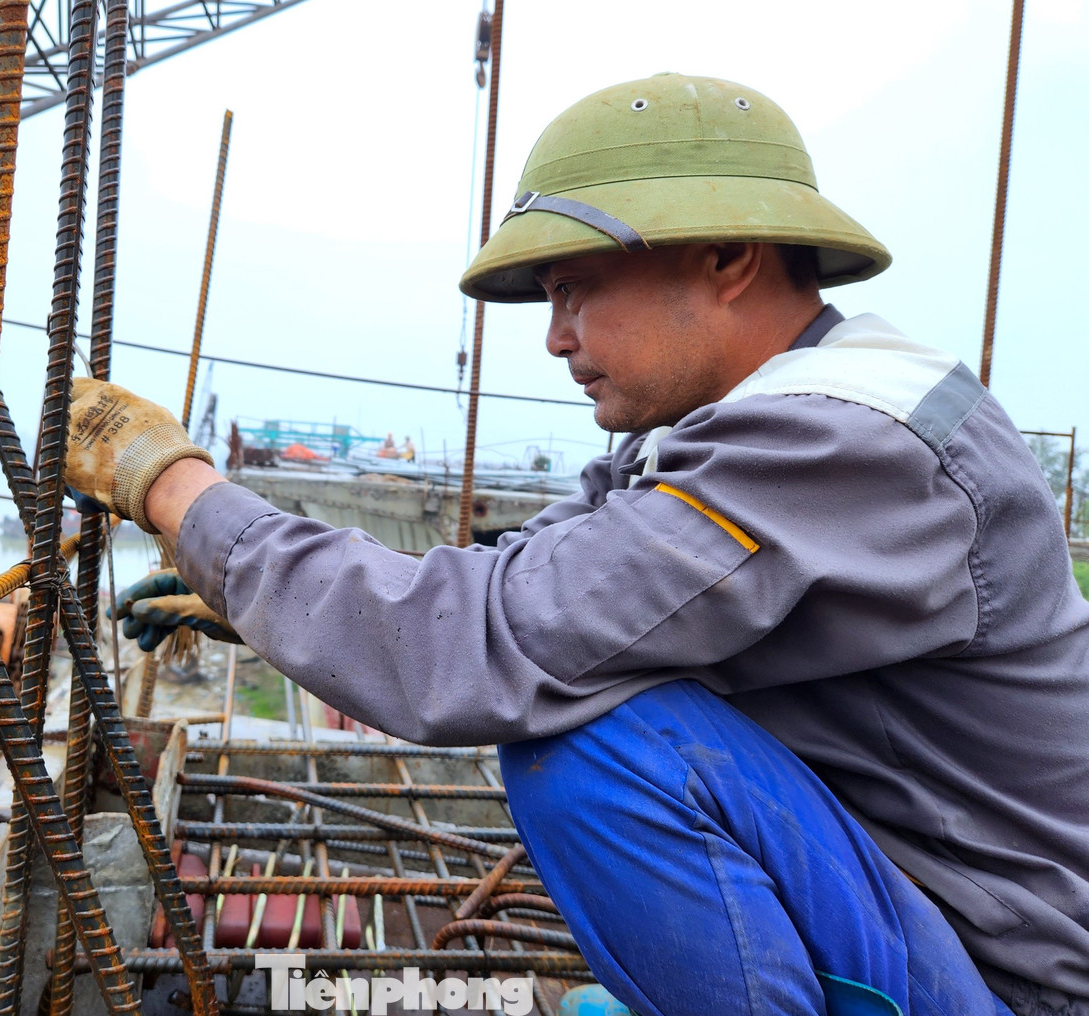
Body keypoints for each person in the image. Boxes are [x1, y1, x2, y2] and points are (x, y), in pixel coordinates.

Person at [64, 74, 1089, 1016]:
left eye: (573, 288)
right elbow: (515, 584)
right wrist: (257, 597)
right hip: (899, 894)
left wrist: (172, 484)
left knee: (589, 738)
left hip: (1001, 974)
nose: (555, 336)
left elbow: (490, 643)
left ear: (726, 258)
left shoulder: (839, 436)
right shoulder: (717, 425)